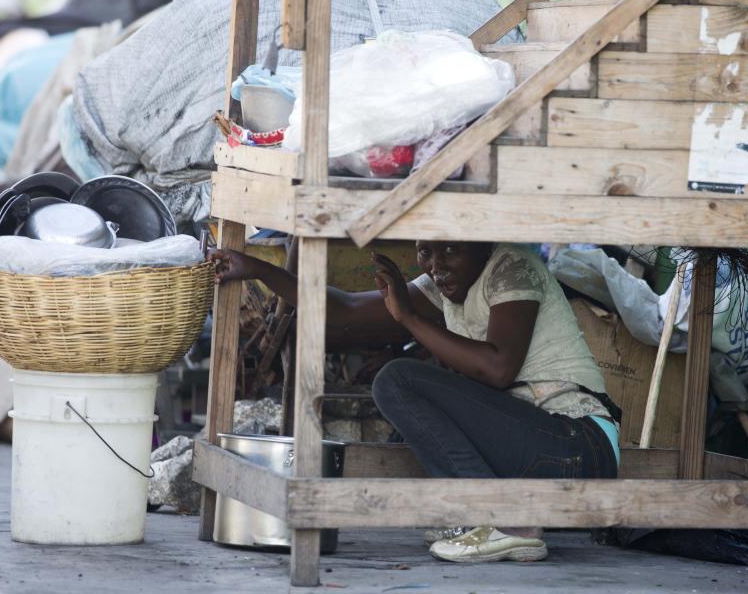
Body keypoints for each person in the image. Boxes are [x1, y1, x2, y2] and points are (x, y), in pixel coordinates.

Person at [208, 240, 620, 563]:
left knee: (398, 379)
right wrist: (256, 269)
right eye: (425, 251)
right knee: (400, 388)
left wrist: (409, 318)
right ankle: (488, 515)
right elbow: (344, 311)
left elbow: (498, 369)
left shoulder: (512, 267)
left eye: (451, 251)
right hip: (535, 449)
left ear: (482, 243)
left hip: (576, 444)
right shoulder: (442, 288)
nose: (436, 265)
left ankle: (504, 520)